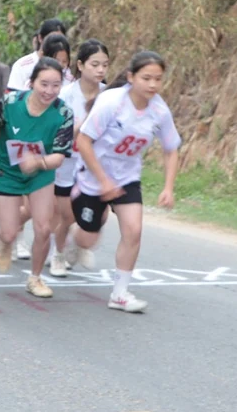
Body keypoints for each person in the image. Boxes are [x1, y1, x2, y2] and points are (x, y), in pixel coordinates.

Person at [71, 51, 182, 315]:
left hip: (127, 178)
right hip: (93, 175)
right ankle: (71, 244)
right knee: (88, 239)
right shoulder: (111, 102)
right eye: (146, 78)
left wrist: (168, 187)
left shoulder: (159, 110)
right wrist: (103, 181)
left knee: (133, 230)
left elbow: (171, 148)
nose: (153, 85)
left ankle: (120, 293)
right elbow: (84, 142)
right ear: (131, 77)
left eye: (158, 79)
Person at [0, 57, 75, 296]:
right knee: (9, 232)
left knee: (43, 227)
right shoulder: (10, 103)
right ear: (31, 82)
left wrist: (37, 162)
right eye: (44, 84)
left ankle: (35, 278)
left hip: (41, 172)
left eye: (55, 85)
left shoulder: (64, 113)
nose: (49, 91)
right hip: (7, 171)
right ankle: (5, 240)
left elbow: (59, 156)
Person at [48, 40, 109, 276]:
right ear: (81, 65)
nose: (101, 70)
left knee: (101, 213)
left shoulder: (109, 95)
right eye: (95, 64)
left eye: (105, 65)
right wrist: (81, 128)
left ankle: (79, 242)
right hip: (67, 163)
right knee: (67, 215)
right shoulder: (65, 95)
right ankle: (58, 255)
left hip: (95, 164)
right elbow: (55, 131)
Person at [7, 18, 69, 93]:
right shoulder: (22, 65)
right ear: (40, 38)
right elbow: (13, 95)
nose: (57, 44)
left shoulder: (65, 69)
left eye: (61, 39)